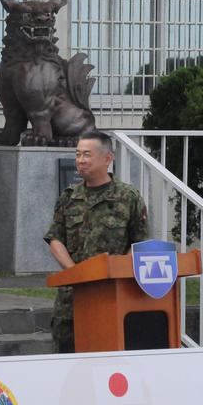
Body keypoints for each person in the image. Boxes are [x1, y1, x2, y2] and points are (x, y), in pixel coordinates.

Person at [43, 130, 150, 353]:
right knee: (66, 359)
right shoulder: (69, 197)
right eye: (78, 154)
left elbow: (138, 243)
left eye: (87, 155)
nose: (80, 161)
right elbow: (55, 238)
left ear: (107, 159)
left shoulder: (127, 197)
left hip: (110, 295)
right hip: (72, 297)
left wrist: (118, 272)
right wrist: (74, 273)